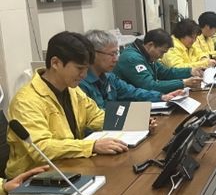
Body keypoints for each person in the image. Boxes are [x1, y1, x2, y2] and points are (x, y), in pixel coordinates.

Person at [6, 32, 128, 179]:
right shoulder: (26, 101)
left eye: (86, 69)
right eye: (79, 68)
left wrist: (132, 121)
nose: (84, 75)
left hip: (69, 169)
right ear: (55, 63)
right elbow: (41, 148)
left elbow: (95, 116)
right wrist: (92, 146)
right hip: (34, 179)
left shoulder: (72, 89)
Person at [79, 30, 184, 108]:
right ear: (93, 53)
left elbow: (132, 92)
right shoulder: (81, 83)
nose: (116, 59)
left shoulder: (109, 76)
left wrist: (161, 97)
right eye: (112, 54)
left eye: (117, 53)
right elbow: (96, 117)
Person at [114, 29, 203, 93]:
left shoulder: (147, 54)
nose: (161, 56)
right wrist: (183, 83)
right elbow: (150, 86)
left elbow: (165, 72)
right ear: (150, 45)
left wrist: (190, 71)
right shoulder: (132, 58)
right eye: (161, 52)